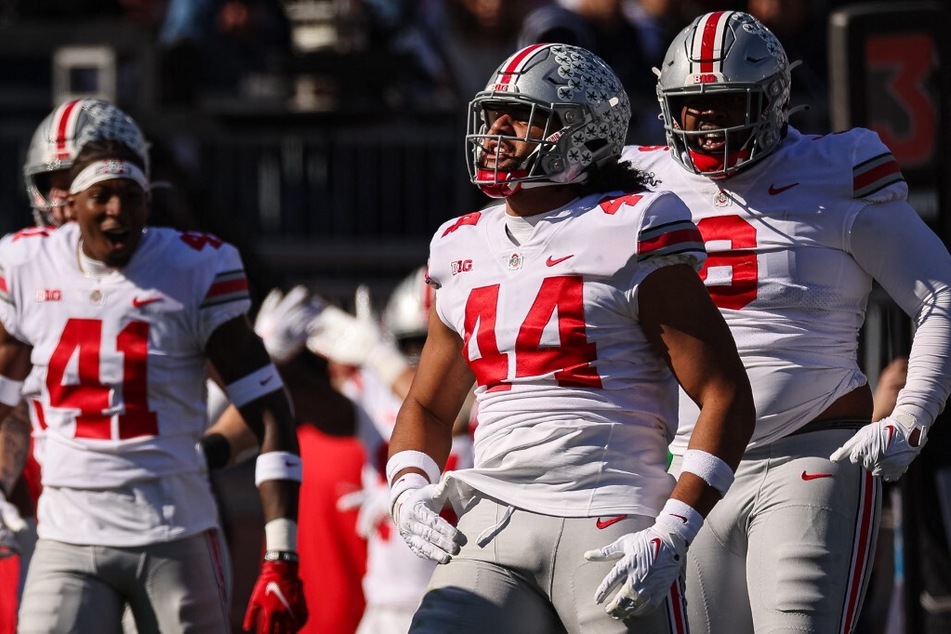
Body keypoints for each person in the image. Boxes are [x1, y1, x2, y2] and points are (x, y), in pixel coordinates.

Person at [385, 42, 756, 633]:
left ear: (579, 136)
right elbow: (430, 403)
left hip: (609, 521)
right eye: (493, 116)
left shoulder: (633, 224)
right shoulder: (457, 243)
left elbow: (724, 392)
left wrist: (676, 527)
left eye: (521, 117)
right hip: (492, 521)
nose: (496, 133)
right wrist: (408, 486)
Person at [620, 10, 951, 632]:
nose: (707, 122)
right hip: (686, 463)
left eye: (727, 103)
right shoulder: (641, 177)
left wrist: (912, 416)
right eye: (692, 105)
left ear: (774, 99)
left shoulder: (837, 169)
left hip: (810, 443)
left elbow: (941, 291)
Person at [0, 129, 307, 631]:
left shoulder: (192, 268)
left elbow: (268, 409)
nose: (116, 210)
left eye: (129, 196)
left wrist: (282, 556)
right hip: (65, 533)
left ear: (149, 203)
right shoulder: (27, 265)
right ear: (69, 203)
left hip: (174, 530)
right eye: (101, 195)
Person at [309, 270, 475, 634]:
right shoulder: (371, 386)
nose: (427, 355)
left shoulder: (480, 389)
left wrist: (379, 355)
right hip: (383, 603)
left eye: (437, 340)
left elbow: (452, 416)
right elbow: (311, 404)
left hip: (457, 595)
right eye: (414, 344)